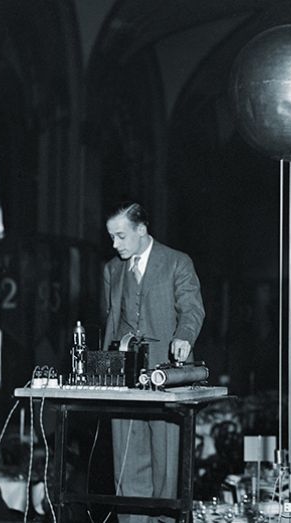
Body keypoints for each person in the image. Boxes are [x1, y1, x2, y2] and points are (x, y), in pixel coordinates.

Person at [103, 202, 205, 523]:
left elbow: (192, 309)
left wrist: (184, 336)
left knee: (166, 470)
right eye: (112, 237)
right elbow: (111, 324)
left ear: (141, 230)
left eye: (120, 236)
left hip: (167, 380)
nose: (115, 244)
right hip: (125, 383)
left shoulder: (177, 262)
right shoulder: (112, 270)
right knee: (127, 468)